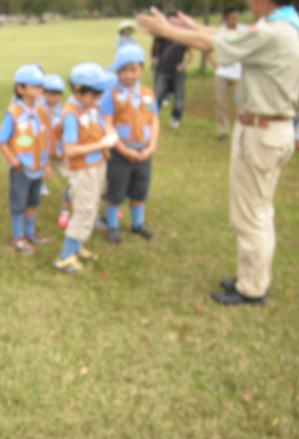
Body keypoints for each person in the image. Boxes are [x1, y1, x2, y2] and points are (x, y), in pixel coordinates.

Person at [137, 1, 299, 305]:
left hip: (261, 133)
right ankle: (252, 278)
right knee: (260, 212)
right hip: (272, 131)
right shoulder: (289, 27)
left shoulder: (273, 32)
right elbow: (228, 37)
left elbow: (214, 44)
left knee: (250, 216)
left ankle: (251, 288)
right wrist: (191, 27)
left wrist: (166, 30)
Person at [53, 63, 118, 274]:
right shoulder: (71, 115)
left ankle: (77, 247)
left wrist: (108, 134)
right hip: (82, 170)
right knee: (84, 210)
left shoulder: (90, 108)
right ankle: (65, 257)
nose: (99, 98)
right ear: (78, 90)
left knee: (91, 206)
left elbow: (100, 126)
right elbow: (70, 150)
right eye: (95, 94)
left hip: (96, 165)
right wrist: (101, 144)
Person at [100, 44, 160, 245]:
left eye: (133, 69)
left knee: (139, 189)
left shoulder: (148, 93)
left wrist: (151, 147)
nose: (128, 75)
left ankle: (137, 224)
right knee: (115, 191)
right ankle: (112, 226)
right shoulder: (111, 95)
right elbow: (108, 125)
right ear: (117, 72)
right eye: (123, 70)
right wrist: (123, 149)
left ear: (141, 69)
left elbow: (154, 121)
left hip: (144, 151)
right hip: (120, 152)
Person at [0, 65, 50, 255]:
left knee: (33, 202)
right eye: (35, 86)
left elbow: (44, 138)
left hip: (38, 167)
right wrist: (13, 160)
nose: (40, 90)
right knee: (18, 205)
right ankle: (18, 236)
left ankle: (30, 233)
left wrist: (46, 163)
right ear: (21, 89)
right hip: (21, 169)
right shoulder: (13, 113)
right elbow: (0, 140)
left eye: (41, 86)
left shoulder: (41, 111)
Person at [209, 7, 247, 141]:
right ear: (225, 19)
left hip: (239, 74)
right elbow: (207, 47)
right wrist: (213, 63)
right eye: (232, 18)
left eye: (236, 17)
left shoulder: (243, 30)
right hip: (222, 72)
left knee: (241, 102)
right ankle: (222, 130)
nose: (235, 20)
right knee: (221, 102)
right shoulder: (220, 31)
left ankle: (241, 129)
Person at [38, 74, 70, 228]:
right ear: (43, 93)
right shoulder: (37, 111)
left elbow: (66, 133)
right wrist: (45, 163)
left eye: (57, 94)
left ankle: (65, 210)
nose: (53, 97)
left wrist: (65, 150)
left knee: (73, 179)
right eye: (49, 93)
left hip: (59, 153)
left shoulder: (64, 111)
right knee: (32, 180)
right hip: (40, 154)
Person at [151, 14, 193, 129]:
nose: (174, 24)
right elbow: (154, 51)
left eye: (176, 22)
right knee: (156, 96)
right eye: (171, 21)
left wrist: (184, 65)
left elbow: (190, 56)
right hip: (162, 70)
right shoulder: (161, 36)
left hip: (178, 72)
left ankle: (176, 118)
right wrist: (154, 60)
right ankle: (151, 116)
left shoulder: (183, 37)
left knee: (179, 96)